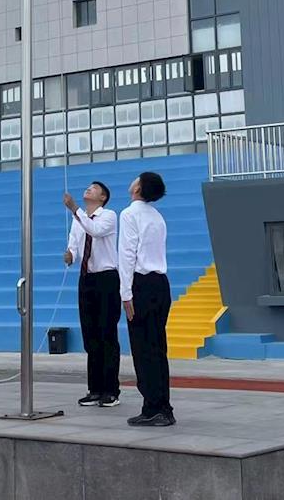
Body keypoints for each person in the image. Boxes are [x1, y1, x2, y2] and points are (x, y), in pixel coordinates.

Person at [118, 171, 174, 427]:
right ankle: (163, 405)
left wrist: (125, 293)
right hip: (160, 284)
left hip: (141, 284)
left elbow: (127, 254)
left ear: (138, 188)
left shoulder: (129, 214)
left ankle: (153, 406)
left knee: (143, 349)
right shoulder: (157, 216)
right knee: (158, 348)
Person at [63, 181, 121, 407]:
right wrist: (70, 255)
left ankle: (111, 390)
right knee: (90, 334)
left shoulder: (109, 216)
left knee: (107, 333)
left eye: (94, 188)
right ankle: (94, 388)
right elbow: (74, 245)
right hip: (86, 278)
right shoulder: (77, 219)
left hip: (106, 278)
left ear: (103, 197)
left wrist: (74, 208)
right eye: (87, 187)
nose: (88, 189)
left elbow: (94, 231)